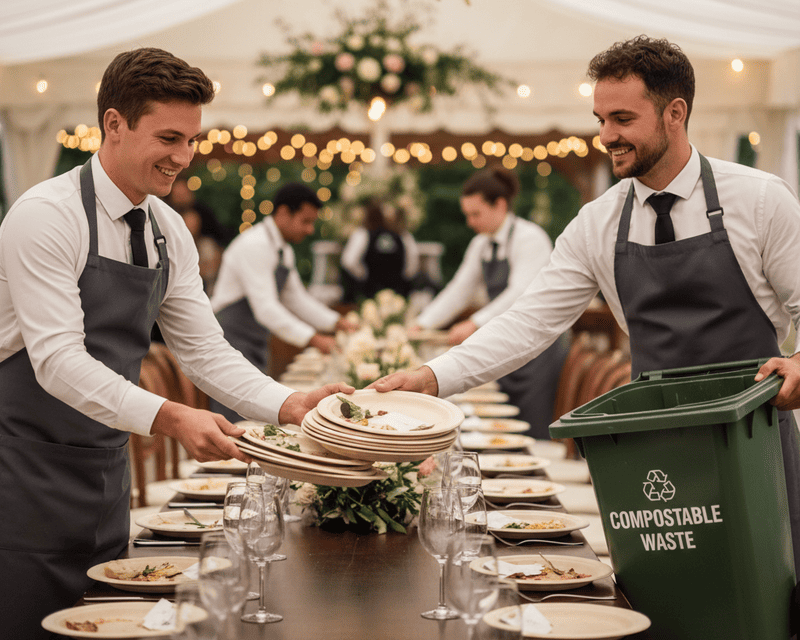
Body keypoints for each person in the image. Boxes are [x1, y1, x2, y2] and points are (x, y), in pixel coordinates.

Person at [371, 36, 800, 572]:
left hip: (752, 441)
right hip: (653, 444)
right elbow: (529, 323)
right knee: (665, 597)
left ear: (675, 113)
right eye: (600, 119)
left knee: (766, 595)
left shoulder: (761, 199)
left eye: (622, 119)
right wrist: (430, 379)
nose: (606, 136)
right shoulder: (598, 221)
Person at [0, 48, 351, 639]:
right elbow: (58, 363)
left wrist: (289, 404)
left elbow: (205, 351)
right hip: (23, 470)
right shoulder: (46, 216)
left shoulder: (167, 230)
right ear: (114, 124)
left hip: (106, 469)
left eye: (191, 139)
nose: (184, 157)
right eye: (169, 137)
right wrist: (171, 416)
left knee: (105, 620)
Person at [410, 166, 569, 438]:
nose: (470, 222)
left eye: (476, 214)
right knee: (504, 423)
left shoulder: (530, 239)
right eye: (467, 215)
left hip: (540, 346)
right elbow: (458, 290)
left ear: (500, 205)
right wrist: (420, 324)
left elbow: (520, 293)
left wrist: (474, 323)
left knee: (532, 422)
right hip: (508, 341)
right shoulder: (481, 245)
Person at [210, 183, 357, 422]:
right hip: (230, 340)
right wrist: (314, 339)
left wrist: (338, 323)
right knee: (235, 421)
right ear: (283, 214)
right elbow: (266, 309)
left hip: (254, 341)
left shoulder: (282, 250)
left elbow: (297, 300)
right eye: (306, 221)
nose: (310, 230)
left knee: (254, 417)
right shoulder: (254, 244)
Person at [340, 197, 420, 302]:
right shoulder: (404, 236)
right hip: (387, 294)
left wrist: (363, 275)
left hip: (375, 293)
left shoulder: (362, 234)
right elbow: (412, 267)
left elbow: (348, 261)